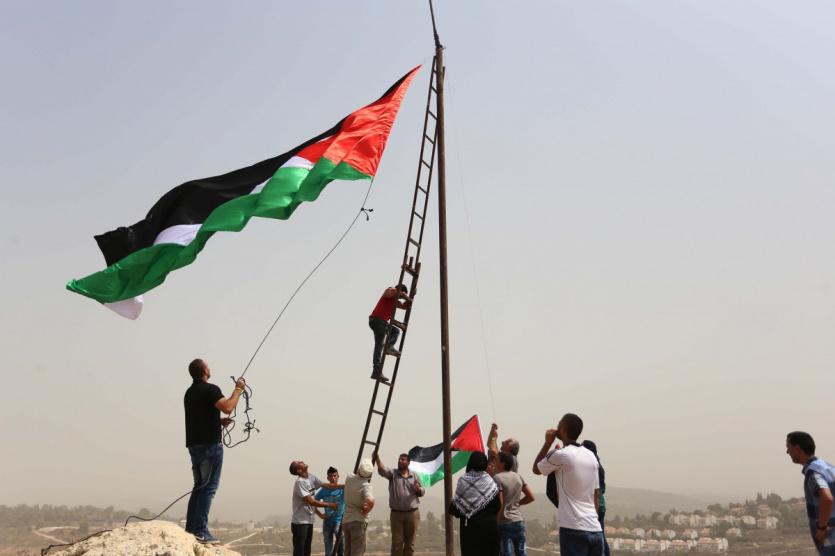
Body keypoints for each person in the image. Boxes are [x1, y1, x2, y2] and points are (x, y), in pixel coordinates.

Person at [183, 358, 246, 544]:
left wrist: (217, 422)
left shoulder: (189, 393)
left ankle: (191, 529)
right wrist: (238, 389)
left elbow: (199, 417)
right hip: (210, 445)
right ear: (204, 371)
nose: (210, 369)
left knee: (199, 486)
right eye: (208, 367)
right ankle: (200, 530)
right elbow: (228, 407)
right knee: (209, 487)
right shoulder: (210, 389)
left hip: (194, 445)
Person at [532, 413, 603, 556]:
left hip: (573, 528)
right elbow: (596, 495)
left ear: (563, 429)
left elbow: (536, 469)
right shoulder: (591, 456)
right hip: (595, 529)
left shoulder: (562, 454)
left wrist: (547, 443)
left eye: (559, 425)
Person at [786, 431, 835, 554]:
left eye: (788, 447)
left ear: (797, 449)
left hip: (831, 539)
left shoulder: (813, 472)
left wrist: (822, 528)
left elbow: (827, 498)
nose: (787, 452)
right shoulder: (827, 467)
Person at [449, 451, 502, 556]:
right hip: (489, 529)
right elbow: (498, 505)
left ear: (470, 463)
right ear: (484, 464)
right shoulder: (490, 482)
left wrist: (467, 510)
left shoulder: (463, 481)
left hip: (470, 530)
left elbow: (454, 509)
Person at [373, 452, 424, 556]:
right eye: (399, 459)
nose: (400, 461)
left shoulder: (414, 476)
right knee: (397, 544)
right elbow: (382, 469)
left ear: (408, 462)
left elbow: (422, 491)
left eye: (403, 459)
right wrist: (377, 458)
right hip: (396, 515)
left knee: (410, 545)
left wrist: (418, 490)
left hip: (412, 514)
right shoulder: (393, 474)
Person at [289, 460, 342, 556]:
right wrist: (330, 505)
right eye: (299, 463)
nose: (302, 461)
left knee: (307, 550)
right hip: (300, 522)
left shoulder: (311, 477)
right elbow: (311, 501)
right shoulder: (300, 482)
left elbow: (325, 485)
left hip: (309, 521)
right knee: (299, 551)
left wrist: (345, 486)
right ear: (299, 470)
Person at [494, 452, 535, 556]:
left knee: (506, 553)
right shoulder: (518, 477)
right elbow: (531, 497)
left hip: (504, 522)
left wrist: (496, 521)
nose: (494, 462)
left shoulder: (497, 478)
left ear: (503, 463)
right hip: (518, 521)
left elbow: (500, 503)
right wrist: (516, 503)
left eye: (496, 460)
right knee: (522, 553)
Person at [369, 284, 410, 382]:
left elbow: (404, 307)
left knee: (392, 333)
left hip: (381, 323)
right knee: (381, 343)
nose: (400, 299)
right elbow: (389, 293)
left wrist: (410, 298)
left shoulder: (395, 300)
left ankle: (376, 371)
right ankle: (388, 347)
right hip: (377, 321)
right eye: (400, 297)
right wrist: (401, 294)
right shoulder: (391, 290)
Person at [581, 440, 610, 556]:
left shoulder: (592, 466)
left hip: (595, 505)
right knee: (601, 535)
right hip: (600, 505)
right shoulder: (599, 466)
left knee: (598, 537)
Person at [343, 458, 375, 556]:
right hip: (358, 521)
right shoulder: (366, 486)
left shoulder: (349, 478)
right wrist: (366, 510)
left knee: (347, 551)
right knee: (357, 552)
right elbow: (371, 500)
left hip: (346, 520)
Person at [315, 466, 345, 556]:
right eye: (331, 476)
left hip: (339, 521)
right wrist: (320, 515)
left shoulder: (342, 489)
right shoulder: (324, 490)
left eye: (335, 476)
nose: (333, 478)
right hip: (327, 522)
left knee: (341, 547)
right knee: (328, 550)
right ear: (328, 478)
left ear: (338, 477)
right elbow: (312, 502)